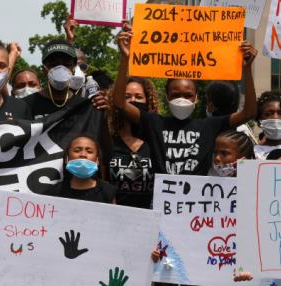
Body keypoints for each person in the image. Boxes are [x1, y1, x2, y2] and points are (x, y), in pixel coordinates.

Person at [114, 22, 257, 175]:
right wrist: (125, 59)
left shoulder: (209, 126)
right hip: (163, 197)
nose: (182, 99)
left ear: (197, 98)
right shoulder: (153, 123)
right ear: (167, 97)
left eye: (188, 95)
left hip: (196, 198)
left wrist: (247, 70)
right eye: (176, 95)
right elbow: (119, 103)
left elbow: (248, 112)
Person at [109, 77, 158, 209]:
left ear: (148, 101)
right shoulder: (109, 141)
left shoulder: (156, 141)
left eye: (138, 96)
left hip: (149, 218)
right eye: (127, 97)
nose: (133, 101)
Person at [45, 135, 117, 204]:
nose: (83, 154)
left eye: (89, 151)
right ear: (67, 159)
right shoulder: (54, 193)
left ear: (97, 160)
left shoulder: (108, 192)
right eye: (77, 150)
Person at [254, 91, 281, 159]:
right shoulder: (251, 153)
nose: (275, 117)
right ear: (260, 120)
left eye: (280, 113)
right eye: (268, 114)